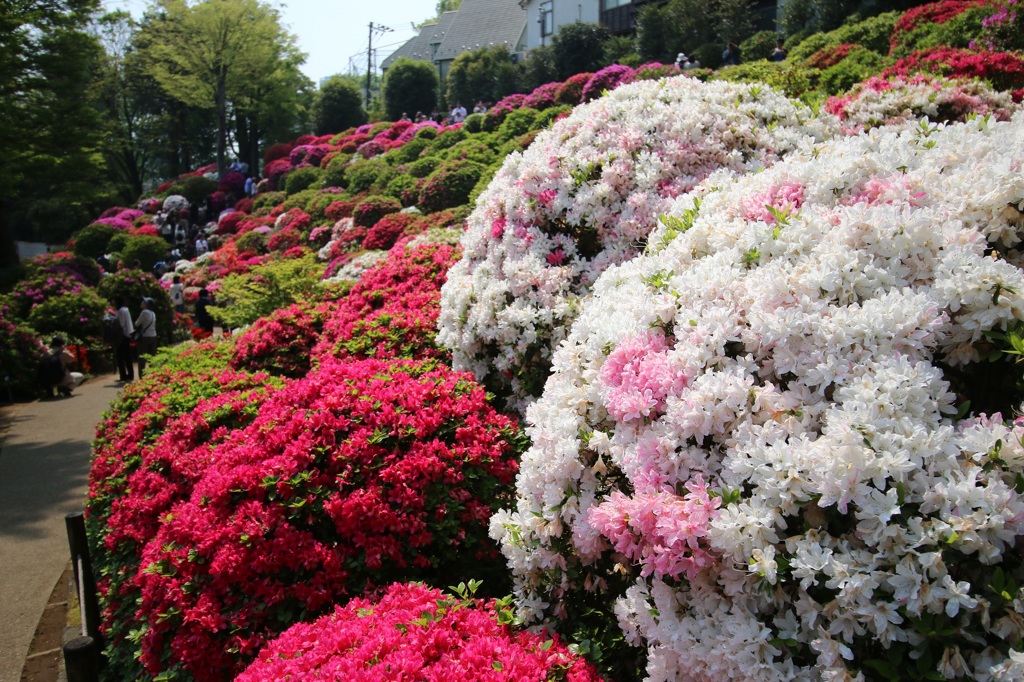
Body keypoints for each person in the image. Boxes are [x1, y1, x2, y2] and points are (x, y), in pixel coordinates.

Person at [134, 298, 158, 379]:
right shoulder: (153, 313)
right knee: (152, 356)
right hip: (153, 336)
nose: (142, 303)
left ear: (146, 304)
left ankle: (142, 376)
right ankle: (153, 374)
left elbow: (137, 324)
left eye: (143, 302)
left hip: (145, 337)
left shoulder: (144, 312)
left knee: (142, 357)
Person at [113, 295, 135, 382]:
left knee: (120, 356)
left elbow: (121, 324)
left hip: (122, 335)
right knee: (127, 356)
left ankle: (123, 375)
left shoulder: (121, 311)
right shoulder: (126, 309)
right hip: (128, 334)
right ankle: (130, 374)